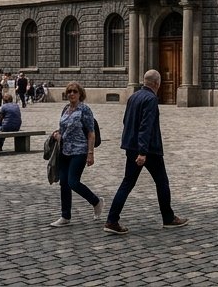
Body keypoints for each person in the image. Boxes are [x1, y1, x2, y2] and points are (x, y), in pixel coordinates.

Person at [103, 69, 187, 235]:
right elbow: (145, 126)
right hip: (148, 150)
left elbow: (125, 120)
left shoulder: (133, 96)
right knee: (162, 182)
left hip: (131, 147)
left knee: (127, 183)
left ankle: (112, 220)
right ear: (157, 83)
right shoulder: (151, 99)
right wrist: (143, 152)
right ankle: (168, 218)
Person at [49, 81, 102, 227]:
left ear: (80, 94)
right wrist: (58, 134)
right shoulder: (65, 109)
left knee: (73, 182)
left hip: (80, 150)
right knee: (64, 183)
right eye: (69, 91)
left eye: (74, 91)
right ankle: (65, 216)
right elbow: (63, 128)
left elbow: (91, 133)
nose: (71, 94)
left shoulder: (85, 110)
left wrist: (90, 153)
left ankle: (96, 201)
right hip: (64, 150)